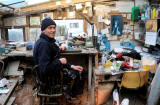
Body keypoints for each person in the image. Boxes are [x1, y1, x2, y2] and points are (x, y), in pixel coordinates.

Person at [33, 18, 87, 103]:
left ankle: (70, 95)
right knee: (82, 72)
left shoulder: (47, 42)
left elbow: (53, 57)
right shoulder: (44, 44)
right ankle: (71, 96)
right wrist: (60, 62)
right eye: (50, 28)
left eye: (54, 28)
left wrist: (71, 66)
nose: (53, 30)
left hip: (51, 75)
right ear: (43, 30)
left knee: (78, 69)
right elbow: (45, 69)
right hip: (50, 80)